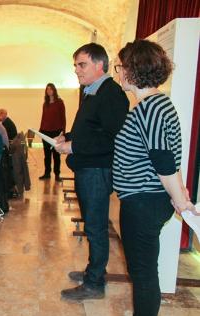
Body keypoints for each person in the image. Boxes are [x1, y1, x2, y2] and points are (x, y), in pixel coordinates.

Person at [100, 40, 199, 316]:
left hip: (143, 202)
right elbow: (168, 157)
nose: (119, 73)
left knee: (143, 273)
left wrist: (180, 199)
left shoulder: (152, 107)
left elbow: (163, 162)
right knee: (141, 270)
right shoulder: (153, 106)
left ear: (134, 70)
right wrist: (179, 191)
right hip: (144, 198)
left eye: (121, 67)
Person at [55, 43, 129, 301]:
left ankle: (95, 282)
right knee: (92, 225)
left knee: (96, 227)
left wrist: (73, 145)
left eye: (82, 64)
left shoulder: (111, 94)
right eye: (75, 65)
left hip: (98, 170)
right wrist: (70, 136)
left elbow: (112, 139)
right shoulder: (93, 91)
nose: (76, 70)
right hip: (88, 167)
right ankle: (92, 271)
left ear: (100, 65)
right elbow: (91, 129)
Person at [39, 84, 66, 181]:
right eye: (47, 89)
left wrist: (63, 131)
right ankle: (47, 173)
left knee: (56, 154)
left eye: (50, 89)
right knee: (47, 155)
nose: (49, 91)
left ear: (54, 90)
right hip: (45, 131)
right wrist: (41, 129)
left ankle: (57, 174)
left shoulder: (59, 102)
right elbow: (43, 117)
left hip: (56, 131)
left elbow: (63, 117)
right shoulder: (45, 103)